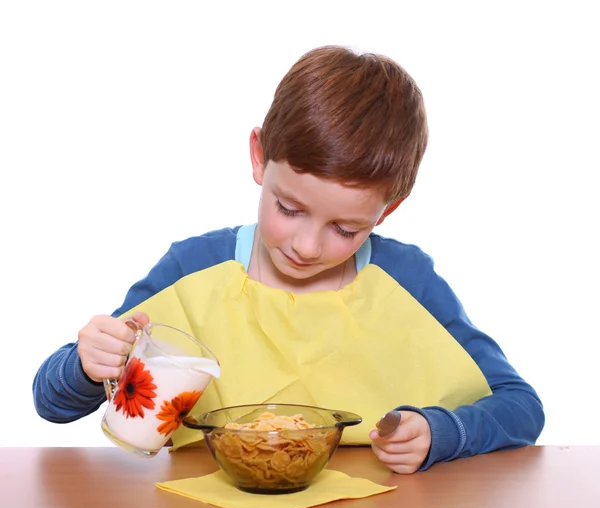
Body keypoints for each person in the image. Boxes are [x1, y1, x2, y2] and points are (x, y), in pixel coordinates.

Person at [32, 45, 544, 474]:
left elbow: (521, 407)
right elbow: (51, 403)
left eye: (346, 229)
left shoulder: (409, 280)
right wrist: (84, 364)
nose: (307, 247)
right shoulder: (193, 270)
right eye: (289, 208)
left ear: (388, 210)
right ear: (259, 156)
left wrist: (440, 432)